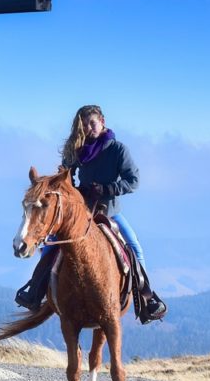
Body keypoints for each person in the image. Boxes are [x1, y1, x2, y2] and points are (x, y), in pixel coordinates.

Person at [15, 104, 167, 323]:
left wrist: (107, 189)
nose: (88, 128)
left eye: (92, 123)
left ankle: (146, 300)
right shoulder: (78, 148)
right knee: (52, 246)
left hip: (110, 212)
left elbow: (133, 181)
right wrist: (73, 189)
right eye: (84, 124)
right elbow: (66, 176)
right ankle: (35, 291)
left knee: (134, 247)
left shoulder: (117, 150)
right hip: (81, 212)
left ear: (102, 121)